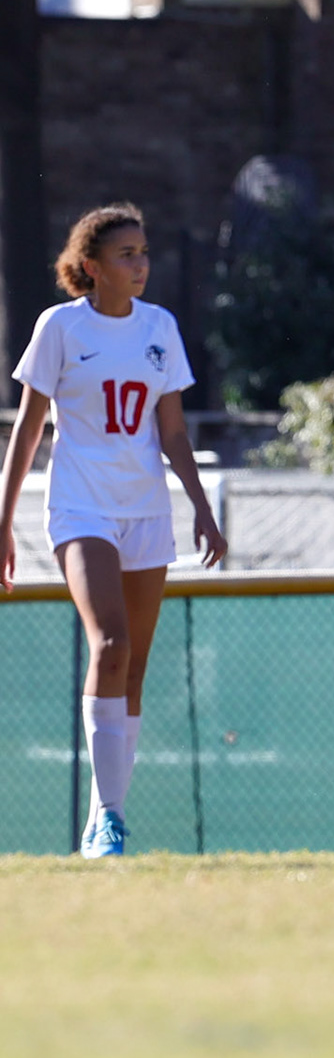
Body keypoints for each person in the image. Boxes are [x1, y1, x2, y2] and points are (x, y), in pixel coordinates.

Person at [0, 203, 227, 857]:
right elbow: (29, 426)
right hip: (82, 508)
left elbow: (174, 432)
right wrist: (5, 518)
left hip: (147, 511)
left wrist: (202, 509)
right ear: (92, 268)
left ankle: (113, 818)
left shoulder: (161, 327)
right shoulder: (60, 327)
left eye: (144, 251)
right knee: (109, 645)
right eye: (126, 254)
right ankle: (104, 818)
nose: (140, 263)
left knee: (132, 668)